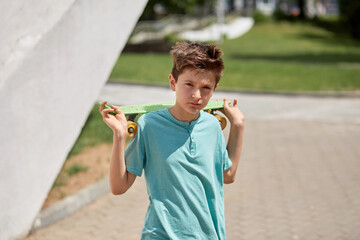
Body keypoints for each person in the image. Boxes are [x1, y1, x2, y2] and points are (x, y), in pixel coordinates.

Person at [99, 42, 245, 239]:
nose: (197, 96)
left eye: (206, 88)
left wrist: (238, 125)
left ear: (215, 88)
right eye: (189, 85)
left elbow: (227, 175)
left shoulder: (212, 127)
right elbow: (119, 187)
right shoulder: (149, 125)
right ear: (173, 82)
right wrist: (119, 135)